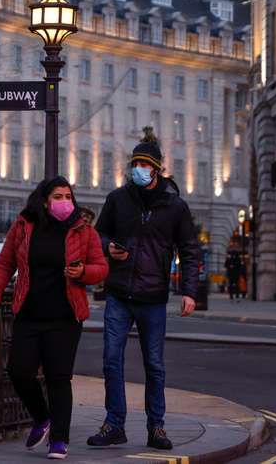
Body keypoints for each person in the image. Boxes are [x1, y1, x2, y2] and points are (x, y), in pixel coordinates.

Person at [88, 128, 199, 451]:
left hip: (153, 296)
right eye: (136, 163)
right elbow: (99, 237)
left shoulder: (175, 206)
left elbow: (190, 250)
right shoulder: (117, 199)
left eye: (145, 164)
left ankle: (157, 428)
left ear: (157, 169)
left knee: (155, 364)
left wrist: (189, 292)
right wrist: (109, 248)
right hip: (119, 293)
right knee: (111, 359)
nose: (139, 168)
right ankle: (114, 424)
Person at [0, 176, 108, 460]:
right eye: (58, 197)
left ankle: (59, 441)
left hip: (65, 316)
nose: (65, 202)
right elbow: (5, 264)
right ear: (44, 200)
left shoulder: (83, 230)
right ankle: (42, 418)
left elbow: (101, 268)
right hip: (29, 313)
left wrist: (83, 273)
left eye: (68, 196)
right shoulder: (24, 226)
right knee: (18, 371)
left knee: (58, 378)